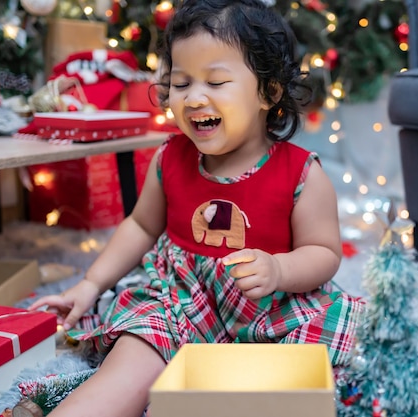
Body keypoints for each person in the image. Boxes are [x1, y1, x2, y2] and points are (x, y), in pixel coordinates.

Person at [29, 0, 364, 415]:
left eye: (216, 82)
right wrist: (91, 284)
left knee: (300, 371)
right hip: (179, 297)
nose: (192, 98)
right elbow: (139, 226)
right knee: (131, 358)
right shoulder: (169, 159)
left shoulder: (302, 175)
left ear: (269, 91)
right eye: (182, 83)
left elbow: (324, 253)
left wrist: (279, 270)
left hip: (269, 306)